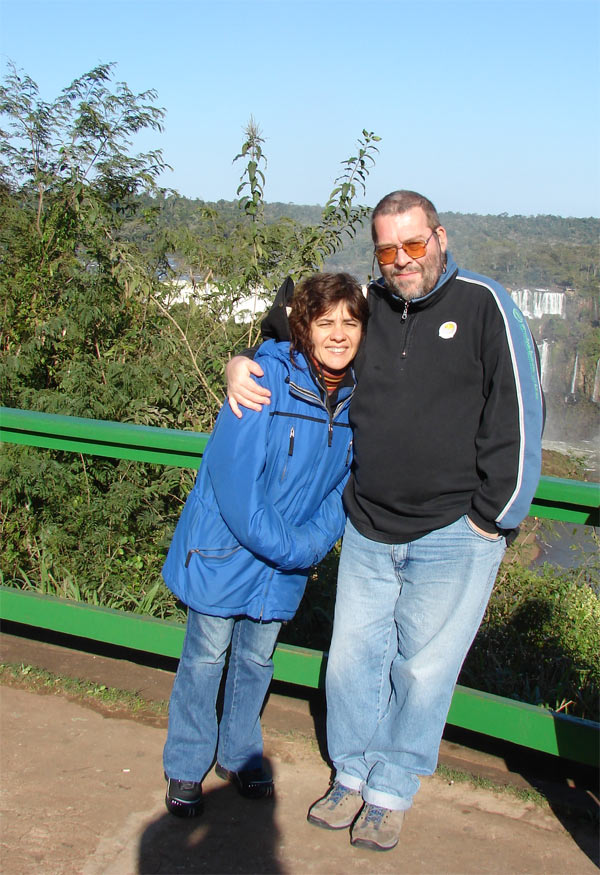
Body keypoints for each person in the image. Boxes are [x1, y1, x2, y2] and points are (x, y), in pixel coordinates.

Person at [225, 191, 544, 851]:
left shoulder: (485, 304)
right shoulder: (369, 305)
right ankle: (351, 774)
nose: (402, 260)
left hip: (455, 531)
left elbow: (519, 413)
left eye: (414, 244)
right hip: (369, 524)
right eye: (388, 249)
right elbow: (297, 332)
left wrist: (494, 519)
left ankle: (391, 790)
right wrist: (241, 361)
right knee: (351, 662)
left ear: (440, 238)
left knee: (423, 671)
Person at [161, 272, 368, 818]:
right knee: (205, 657)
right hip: (226, 549)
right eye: (326, 321)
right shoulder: (265, 377)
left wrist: (310, 543)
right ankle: (186, 763)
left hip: (284, 562)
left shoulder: (359, 399)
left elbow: (346, 486)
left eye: (350, 322)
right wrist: (296, 548)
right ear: (304, 327)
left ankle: (238, 754)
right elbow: (236, 486)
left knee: (256, 659)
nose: (339, 333)